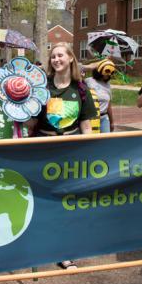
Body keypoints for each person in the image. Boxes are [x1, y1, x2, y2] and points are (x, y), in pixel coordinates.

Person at [33, 43, 97, 269]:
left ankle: (63, 250)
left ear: (71, 58)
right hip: (43, 147)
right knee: (43, 198)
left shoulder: (81, 88)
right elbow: (31, 122)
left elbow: (86, 125)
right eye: (53, 57)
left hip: (71, 150)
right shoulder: (42, 88)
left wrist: (88, 153)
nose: (56, 59)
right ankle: (41, 244)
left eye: (60, 55)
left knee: (66, 200)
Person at [84, 59, 116, 133]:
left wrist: (111, 122)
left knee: (105, 142)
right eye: (107, 71)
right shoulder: (88, 81)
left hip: (104, 118)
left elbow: (109, 105)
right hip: (92, 118)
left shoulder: (108, 85)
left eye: (111, 72)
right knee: (92, 142)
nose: (109, 74)